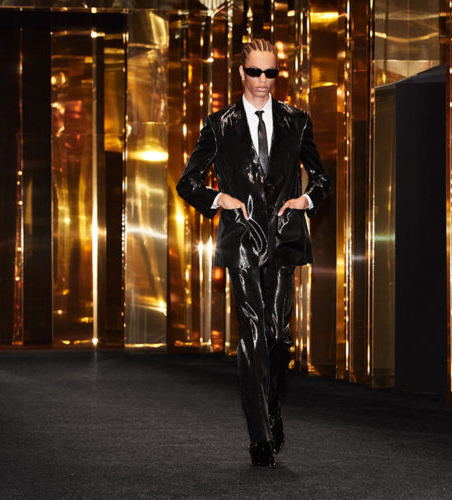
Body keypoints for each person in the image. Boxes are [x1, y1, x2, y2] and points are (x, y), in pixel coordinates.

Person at [176, 38, 330, 467]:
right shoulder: (219, 125)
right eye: (256, 72)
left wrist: (305, 200)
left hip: (283, 237)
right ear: (241, 72)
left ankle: (272, 404)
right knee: (253, 334)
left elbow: (321, 178)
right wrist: (219, 198)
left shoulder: (296, 120)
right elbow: (187, 183)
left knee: (279, 336)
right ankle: (260, 435)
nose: (263, 80)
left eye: (271, 72)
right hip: (242, 239)